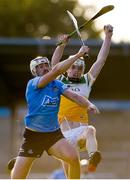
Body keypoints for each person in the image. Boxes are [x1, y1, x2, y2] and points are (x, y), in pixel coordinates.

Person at [9, 44, 99, 179]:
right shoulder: (33, 83)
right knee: (17, 177)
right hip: (33, 136)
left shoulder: (57, 84)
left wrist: (88, 104)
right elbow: (56, 70)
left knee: (73, 159)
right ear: (35, 71)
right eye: (40, 66)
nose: (44, 67)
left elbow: (74, 96)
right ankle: (18, 164)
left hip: (53, 134)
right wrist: (78, 55)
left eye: (46, 65)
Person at [51, 24, 113, 174]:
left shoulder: (87, 81)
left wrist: (108, 37)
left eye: (80, 68)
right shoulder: (60, 80)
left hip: (80, 131)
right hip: (62, 133)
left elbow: (101, 60)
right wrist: (61, 45)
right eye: (73, 67)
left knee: (90, 129)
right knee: (72, 174)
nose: (76, 70)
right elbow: (54, 64)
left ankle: (93, 157)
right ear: (68, 68)